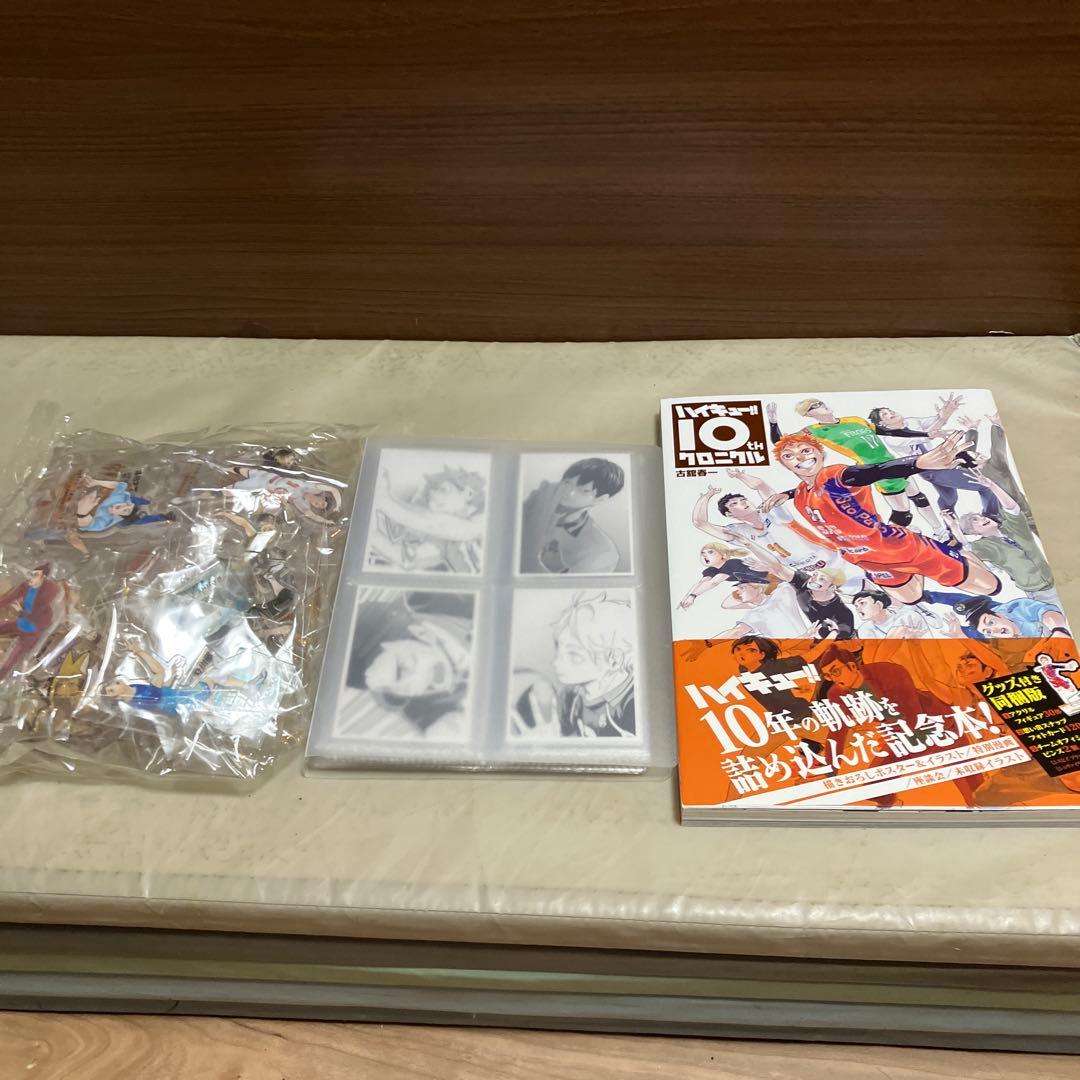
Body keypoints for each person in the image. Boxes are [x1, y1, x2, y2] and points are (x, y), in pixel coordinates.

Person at [762, 430, 1001, 605]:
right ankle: (923, 565)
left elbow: (874, 472)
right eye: (789, 456)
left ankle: (959, 552)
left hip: (903, 548)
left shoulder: (834, 475)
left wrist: (916, 463)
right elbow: (813, 493)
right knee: (912, 598)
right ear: (785, 465)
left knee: (992, 588)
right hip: (868, 561)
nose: (799, 457)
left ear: (820, 454)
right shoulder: (801, 493)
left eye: (805, 451)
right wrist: (787, 494)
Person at [818, 644, 981, 807]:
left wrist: (885, 732)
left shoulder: (889, 672)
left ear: (852, 666)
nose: (834, 679)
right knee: (874, 786)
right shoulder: (837, 694)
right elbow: (837, 731)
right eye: (828, 676)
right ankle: (893, 805)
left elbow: (913, 716)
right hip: (904, 738)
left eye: (835, 671)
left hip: (939, 726)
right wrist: (829, 771)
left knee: (977, 793)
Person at [768, 398, 939, 533]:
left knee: (919, 497)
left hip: (893, 461)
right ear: (809, 414)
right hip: (877, 470)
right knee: (903, 514)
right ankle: (891, 535)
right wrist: (773, 423)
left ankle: (939, 530)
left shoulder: (854, 420)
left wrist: (925, 434)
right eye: (814, 406)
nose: (820, 405)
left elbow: (889, 431)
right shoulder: (814, 430)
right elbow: (782, 443)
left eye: (819, 402)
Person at [347, 591, 474, 736]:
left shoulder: (458, 597)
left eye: (403, 669)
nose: (414, 688)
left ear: (421, 633)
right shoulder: (438, 719)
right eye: (400, 692)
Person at [514, 591, 635, 738]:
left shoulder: (632, 706)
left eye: (574, 655)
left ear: (614, 660)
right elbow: (559, 732)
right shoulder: (571, 697)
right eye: (559, 649)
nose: (556, 662)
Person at [719, 528, 856, 638]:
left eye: (822, 579)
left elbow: (841, 638)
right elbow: (777, 567)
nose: (814, 579)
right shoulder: (803, 584)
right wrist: (748, 544)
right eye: (815, 575)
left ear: (831, 588)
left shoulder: (841, 613)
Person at [369, 465, 486, 573]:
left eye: (443, 489)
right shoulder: (446, 537)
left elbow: (435, 523)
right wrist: (369, 533)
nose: (433, 495)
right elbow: (407, 559)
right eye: (432, 491)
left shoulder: (482, 519)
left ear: (469, 493)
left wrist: (383, 499)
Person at [958, 474, 1056, 602]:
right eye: (974, 521)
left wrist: (992, 486)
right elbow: (966, 552)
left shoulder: (1012, 526)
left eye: (981, 516)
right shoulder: (982, 546)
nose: (982, 519)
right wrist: (955, 529)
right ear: (973, 532)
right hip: (1038, 592)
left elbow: (1012, 508)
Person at [520, 458, 626, 574]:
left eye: (584, 491)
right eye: (567, 483)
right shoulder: (537, 502)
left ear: (600, 499)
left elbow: (570, 585)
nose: (569, 492)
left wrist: (552, 568)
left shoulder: (602, 551)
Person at [102, 646, 254, 716]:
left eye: (112, 683)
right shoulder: (141, 697)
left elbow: (164, 688)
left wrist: (173, 676)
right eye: (111, 689)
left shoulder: (134, 690)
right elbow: (159, 671)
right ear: (115, 697)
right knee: (212, 677)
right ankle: (247, 686)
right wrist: (139, 652)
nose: (114, 684)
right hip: (189, 698)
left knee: (207, 677)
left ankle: (238, 688)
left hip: (183, 698)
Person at [0, 565, 60, 680]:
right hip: (20, 623)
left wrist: (21, 612)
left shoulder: (46, 595)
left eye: (36, 575)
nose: (32, 578)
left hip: (32, 633)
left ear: (43, 577)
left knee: (10, 662)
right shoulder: (25, 587)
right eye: (32, 574)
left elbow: (38, 616)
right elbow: (8, 599)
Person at [677, 541, 770, 610]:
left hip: (765, 580)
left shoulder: (731, 563)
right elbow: (702, 583)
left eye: (710, 552)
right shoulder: (712, 570)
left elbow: (714, 582)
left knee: (737, 599)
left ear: (724, 555)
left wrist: (693, 596)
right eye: (703, 553)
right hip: (750, 585)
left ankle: (763, 602)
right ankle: (758, 605)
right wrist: (687, 598)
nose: (705, 555)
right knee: (727, 605)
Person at [954, 595, 1070, 640]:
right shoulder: (993, 638)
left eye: (991, 623)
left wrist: (1059, 630)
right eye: (988, 631)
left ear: (999, 615)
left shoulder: (1018, 608)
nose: (994, 631)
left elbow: (1047, 612)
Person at [851, 589, 933, 640]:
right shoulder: (865, 629)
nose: (858, 608)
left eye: (862, 603)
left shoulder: (907, 616)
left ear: (879, 604)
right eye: (856, 606)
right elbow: (872, 657)